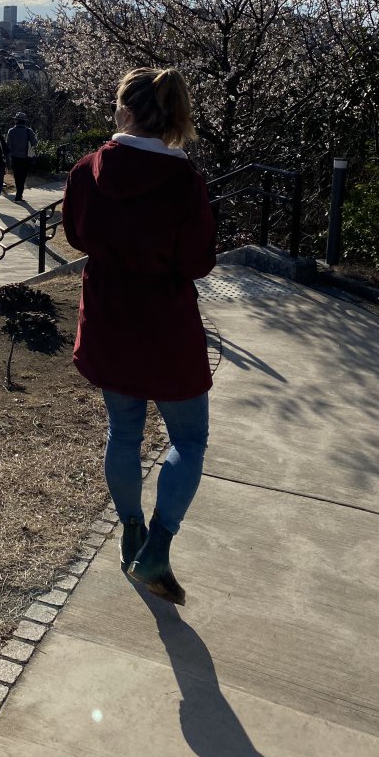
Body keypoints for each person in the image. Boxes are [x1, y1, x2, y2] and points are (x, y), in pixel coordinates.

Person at [62, 67, 217, 605]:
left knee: (123, 433)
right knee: (189, 439)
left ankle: (129, 529)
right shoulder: (184, 183)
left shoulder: (88, 171)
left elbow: (77, 234)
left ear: (125, 110)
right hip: (167, 326)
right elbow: (197, 261)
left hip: (109, 318)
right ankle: (158, 545)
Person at [5, 112, 37, 201]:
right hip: (25, 158)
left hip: (15, 158)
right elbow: (34, 143)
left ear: (16, 121)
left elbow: (8, 146)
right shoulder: (28, 131)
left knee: (17, 176)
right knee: (22, 177)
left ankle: (18, 194)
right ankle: (19, 194)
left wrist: (9, 159)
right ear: (24, 121)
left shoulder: (11, 131)